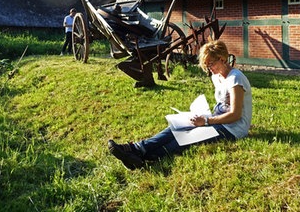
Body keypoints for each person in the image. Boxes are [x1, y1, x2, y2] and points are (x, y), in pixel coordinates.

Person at [108, 40, 252, 169]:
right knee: (177, 126)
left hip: (233, 128)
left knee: (187, 138)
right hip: (218, 120)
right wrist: (204, 117)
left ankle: (142, 157)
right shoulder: (217, 77)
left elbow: (235, 114)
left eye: (211, 64)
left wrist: (206, 121)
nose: (209, 69)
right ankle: (136, 148)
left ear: (222, 59)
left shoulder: (235, 79)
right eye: (206, 65)